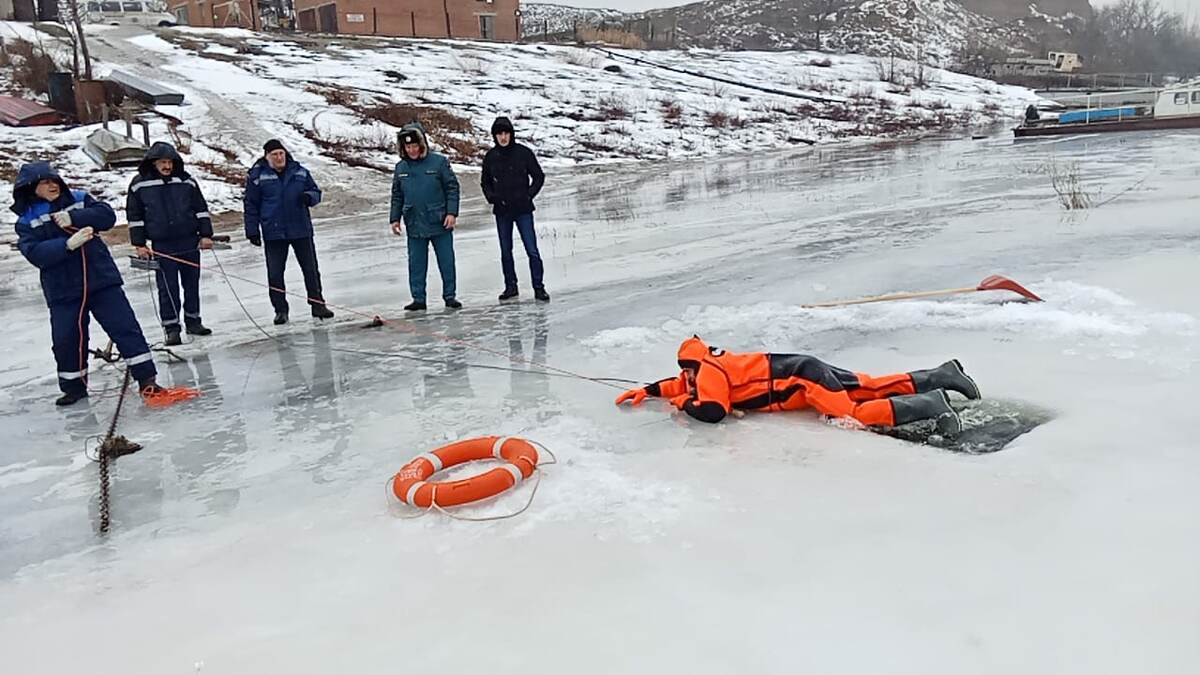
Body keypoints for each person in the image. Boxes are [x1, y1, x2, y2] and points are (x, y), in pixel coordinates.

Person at [12, 162, 169, 406]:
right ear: (31, 188)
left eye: (54, 180)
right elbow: (34, 253)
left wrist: (74, 217)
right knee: (67, 340)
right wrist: (67, 245)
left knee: (125, 328)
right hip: (63, 290)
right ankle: (74, 388)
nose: (52, 185)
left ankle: (147, 379)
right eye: (45, 182)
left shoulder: (79, 198)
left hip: (101, 280)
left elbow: (107, 216)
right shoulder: (26, 220)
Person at [615, 336, 980, 435]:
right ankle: (942, 374)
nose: (687, 381)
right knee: (865, 385)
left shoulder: (708, 374)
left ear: (694, 366)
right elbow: (680, 384)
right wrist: (648, 391)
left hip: (801, 377)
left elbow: (712, 412)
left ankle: (930, 403)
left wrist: (681, 404)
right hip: (804, 367)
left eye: (688, 374)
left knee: (853, 413)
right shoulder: (703, 367)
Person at [126, 142, 214, 346]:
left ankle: (193, 321)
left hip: (189, 240)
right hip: (162, 245)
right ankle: (172, 328)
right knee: (168, 287)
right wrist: (139, 244)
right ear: (153, 163)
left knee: (191, 284)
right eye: (163, 162)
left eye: (170, 162)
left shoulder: (186, 181)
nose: (167, 166)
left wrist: (206, 234)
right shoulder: (139, 184)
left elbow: (200, 208)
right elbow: (135, 216)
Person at [244, 139, 334, 325]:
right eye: (275, 155)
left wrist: (309, 197)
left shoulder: (299, 171)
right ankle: (280, 310)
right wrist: (252, 230)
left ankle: (318, 305)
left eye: (281, 154)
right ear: (267, 157)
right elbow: (251, 204)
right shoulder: (257, 176)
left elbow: (315, 191)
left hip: (300, 228)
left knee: (310, 269)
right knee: (275, 273)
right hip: (273, 231)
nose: (279, 157)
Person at [389, 122, 461, 311]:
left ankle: (450, 296)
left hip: (439, 221)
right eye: (408, 146)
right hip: (414, 222)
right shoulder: (401, 168)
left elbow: (452, 188)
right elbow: (397, 195)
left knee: (446, 261)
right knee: (416, 263)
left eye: (414, 146)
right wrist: (394, 219)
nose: (412, 150)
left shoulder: (439, 162)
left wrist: (452, 213)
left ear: (422, 145)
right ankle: (418, 299)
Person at [480, 116, 548, 302]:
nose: (503, 137)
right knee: (505, 250)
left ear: (511, 134)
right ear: (494, 136)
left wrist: (529, 195)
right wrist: (492, 197)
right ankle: (511, 286)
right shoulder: (491, 157)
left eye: (506, 133)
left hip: (523, 209)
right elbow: (485, 182)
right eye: (499, 134)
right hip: (502, 211)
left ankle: (539, 287)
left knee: (531, 249)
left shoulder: (523, 153)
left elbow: (539, 176)